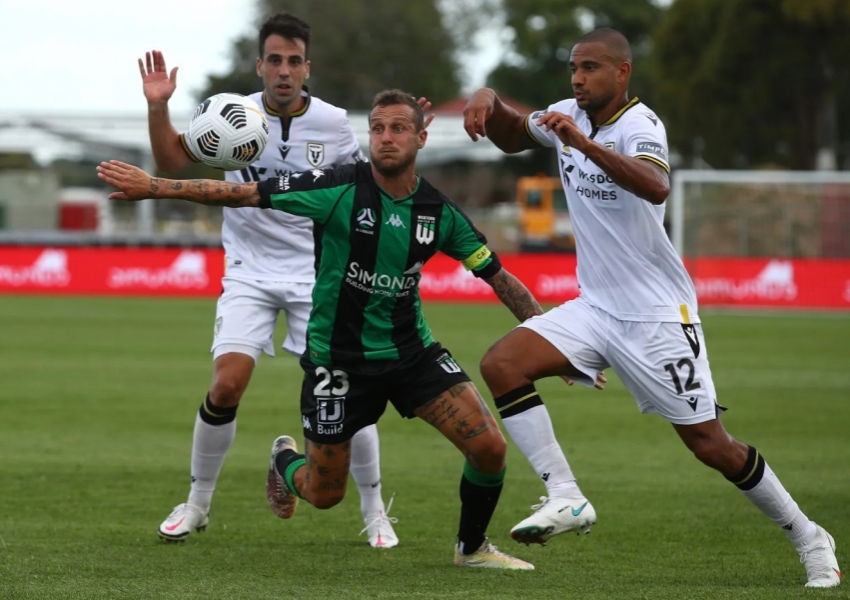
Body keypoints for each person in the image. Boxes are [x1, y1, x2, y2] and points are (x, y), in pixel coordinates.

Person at [461, 28, 841, 588]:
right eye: (574, 67)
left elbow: (656, 186)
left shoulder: (642, 125)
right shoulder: (569, 112)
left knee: (711, 445)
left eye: (590, 67)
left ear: (622, 72)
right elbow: (515, 134)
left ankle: (809, 535)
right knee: (501, 363)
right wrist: (487, 98)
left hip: (658, 316)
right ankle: (566, 496)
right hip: (596, 308)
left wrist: (585, 145)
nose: (577, 78)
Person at [98, 89, 541, 569]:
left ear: (421, 137)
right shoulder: (336, 186)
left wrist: (550, 335)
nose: (386, 138)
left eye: (398, 129)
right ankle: (284, 463)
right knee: (323, 493)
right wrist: (157, 186)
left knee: (489, 447)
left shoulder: (438, 212)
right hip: (339, 362)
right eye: (377, 129)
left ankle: (471, 548)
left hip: (412, 354)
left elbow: (497, 275)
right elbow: (245, 193)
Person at [140, 13, 415, 548]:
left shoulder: (334, 123)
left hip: (319, 275)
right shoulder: (229, 115)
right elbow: (173, 162)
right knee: (226, 385)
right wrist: (158, 106)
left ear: (306, 67)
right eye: (274, 60)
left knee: (348, 394)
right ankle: (196, 505)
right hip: (248, 270)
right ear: (259, 64)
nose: (284, 71)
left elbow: (370, 185)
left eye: (294, 61)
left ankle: (375, 511)